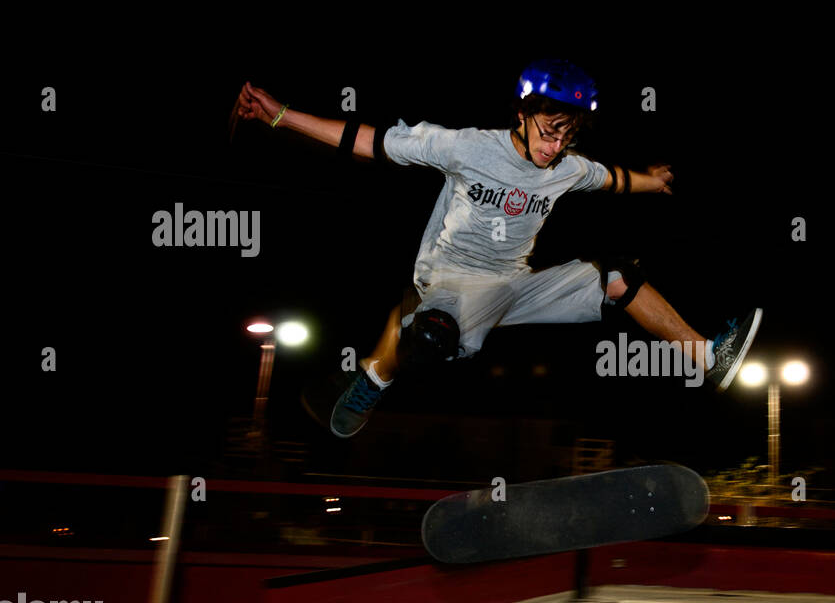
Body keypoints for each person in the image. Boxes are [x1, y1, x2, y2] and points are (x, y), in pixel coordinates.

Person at [231, 59, 761, 438]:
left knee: (615, 276)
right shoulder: (465, 146)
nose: (554, 148)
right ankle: (372, 383)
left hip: (515, 283)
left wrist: (651, 181)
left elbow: (613, 180)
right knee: (430, 333)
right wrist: (282, 116)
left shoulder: (567, 167)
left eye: (566, 138)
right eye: (549, 132)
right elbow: (365, 141)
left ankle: (707, 357)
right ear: (522, 115)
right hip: (451, 281)